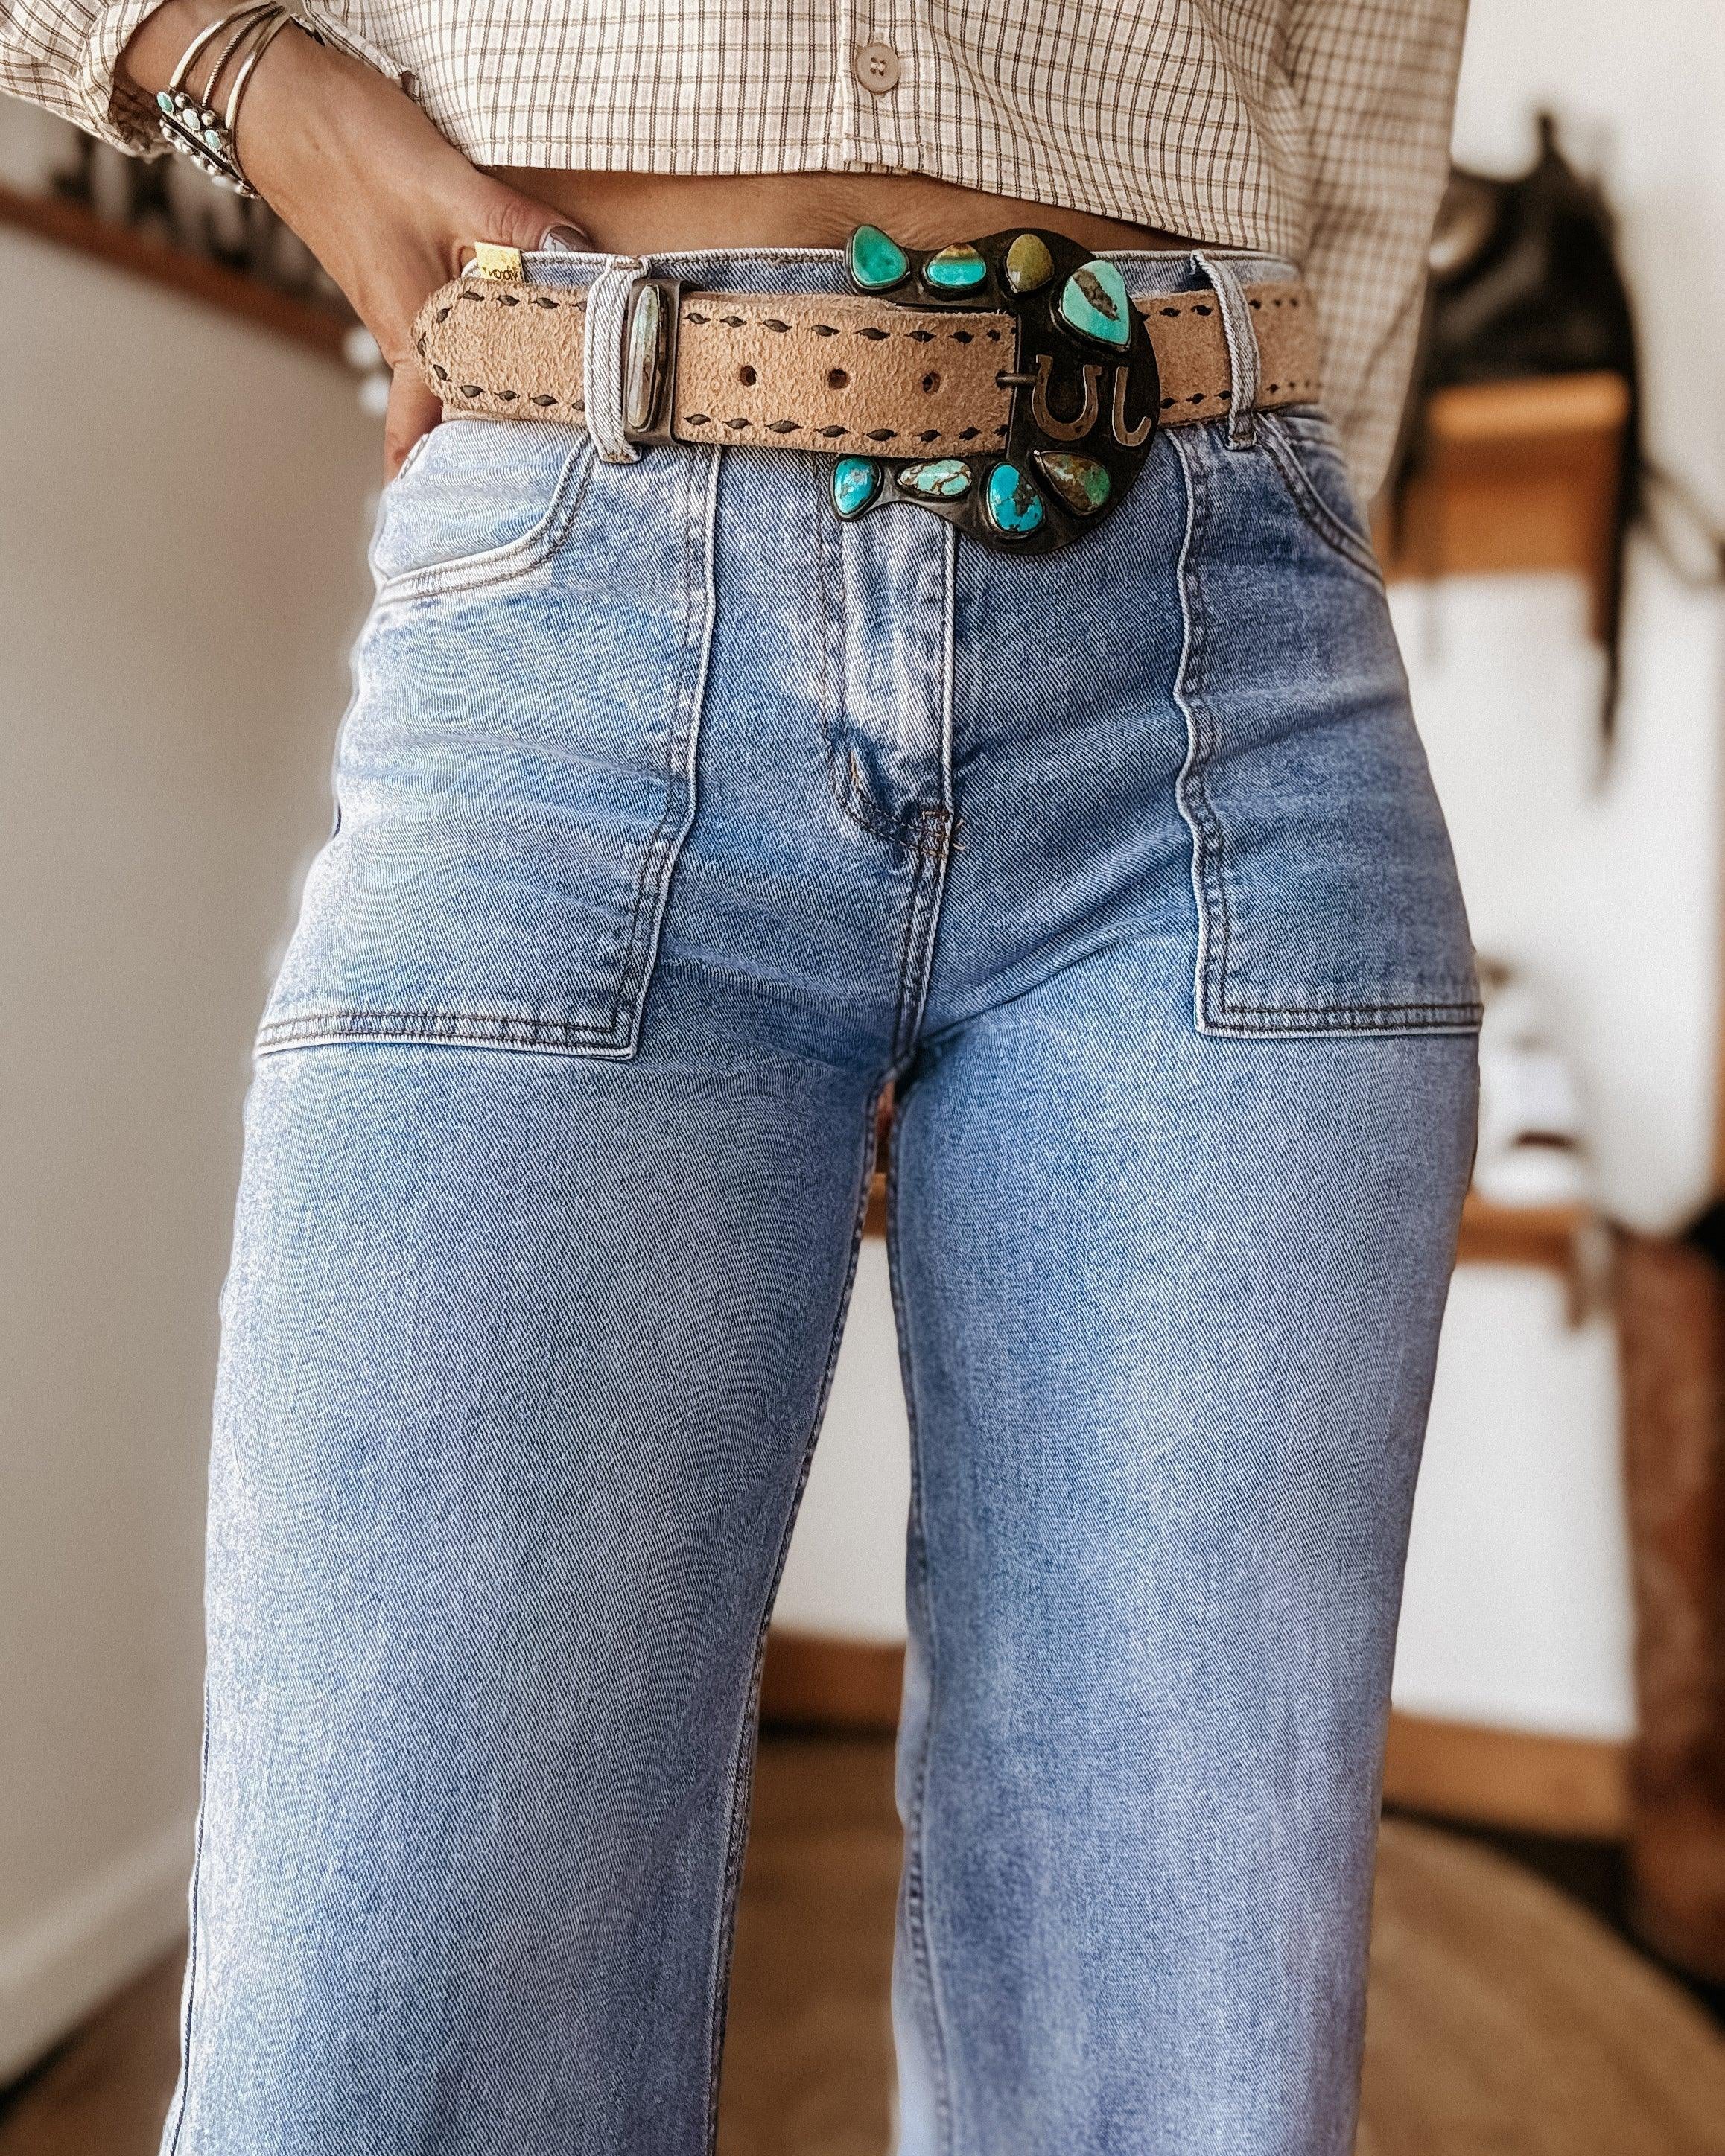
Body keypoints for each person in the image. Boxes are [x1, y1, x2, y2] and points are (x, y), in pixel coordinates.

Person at [0, 4, 1479, 2150]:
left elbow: (1363, 110)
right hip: (569, 626)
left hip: (1209, 676)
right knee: (389, 2007)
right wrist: (231, 70)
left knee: (1190, 2029)